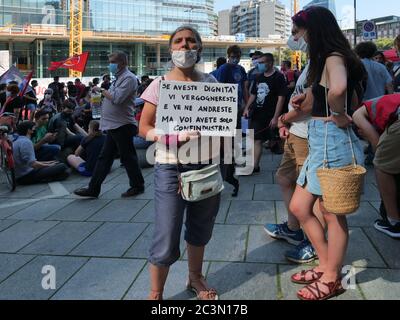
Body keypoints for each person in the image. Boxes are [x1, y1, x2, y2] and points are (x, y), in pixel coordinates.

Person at [288, 7, 366, 300]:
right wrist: (301, 104)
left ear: (314, 30)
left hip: (332, 140)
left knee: (332, 215)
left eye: (300, 31)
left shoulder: (333, 57)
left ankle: (332, 276)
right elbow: (318, 99)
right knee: (300, 207)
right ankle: (326, 265)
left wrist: (339, 112)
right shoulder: (324, 59)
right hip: (320, 139)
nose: (299, 37)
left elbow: (340, 89)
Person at [139, 26, 221, 301]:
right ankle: (156, 292)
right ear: (171, 48)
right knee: (166, 232)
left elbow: (223, 124)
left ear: (200, 47)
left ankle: (195, 277)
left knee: (201, 227)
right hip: (170, 168)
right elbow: (143, 127)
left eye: (190, 41)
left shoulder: (211, 84)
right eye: (178, 41)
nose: (185, 46)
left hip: (206, 165)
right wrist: (170, 137)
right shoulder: (159, 85)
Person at [264, 27, 323, 264]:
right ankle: (293, 228)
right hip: (296, 132)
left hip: (308, 135)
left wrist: (283, 118)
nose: (294, 37)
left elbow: (310, 105)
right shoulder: (312, 63)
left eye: (297, 32)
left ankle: (315, 242)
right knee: (285, 178)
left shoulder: (324, 63)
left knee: (312, 193)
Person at [74, 51, 145, 198]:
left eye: (113, 62)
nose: (110, 65)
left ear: (122, 63)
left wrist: (101, 90)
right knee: (106, 157)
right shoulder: (118, 78)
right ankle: (94, 188)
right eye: (110, 61)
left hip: (123, 125)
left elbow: (117, 99)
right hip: (114, 125)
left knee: (127, 157)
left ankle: (137, 186)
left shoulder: (129, 78)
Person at [353, 94, 400, 239]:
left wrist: (373, 140)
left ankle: (394, 222)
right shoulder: (384, 104)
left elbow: (376, 144)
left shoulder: (361, 112)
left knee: (382, 165)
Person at [243, 53, 287, 173]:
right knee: (256, 139)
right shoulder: (258, 77)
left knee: (277, 141)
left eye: (262, 62)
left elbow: (281, 98)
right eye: (259, 62)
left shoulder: (278, 77)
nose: (259, 64)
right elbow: (253, 95)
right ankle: (254, 166)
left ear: (270, 63)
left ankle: (285, 166)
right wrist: (247, 108)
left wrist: (276, 117)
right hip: (257, 114)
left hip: (271, 114)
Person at [215, 45, 249, 119]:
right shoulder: (223, 69)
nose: (235, 59)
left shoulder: (241, 69)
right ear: (228, 56)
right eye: (233, 57)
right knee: (231, 128)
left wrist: (247, 105)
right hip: (227, 106)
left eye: (238, 57)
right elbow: (219, 88)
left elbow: (244, 88)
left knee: (243, 128)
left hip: (240, 104)